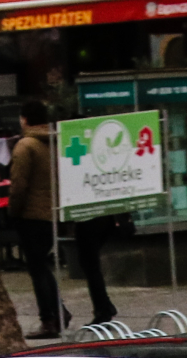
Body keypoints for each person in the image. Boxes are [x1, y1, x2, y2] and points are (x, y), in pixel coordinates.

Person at [7, 102, 115, 338]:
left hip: (31, 213)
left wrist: (13, 211)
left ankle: (51, 318)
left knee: (36, 266)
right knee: (41, 264)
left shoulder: (25, 146)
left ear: (25, 119)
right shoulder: (57, 142)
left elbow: (19, 186)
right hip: (53, 212)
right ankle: (58, 312)